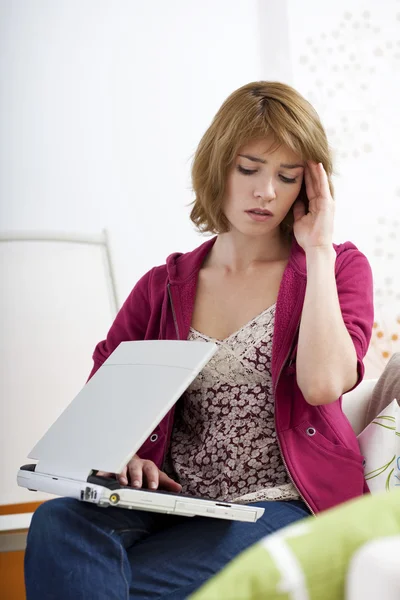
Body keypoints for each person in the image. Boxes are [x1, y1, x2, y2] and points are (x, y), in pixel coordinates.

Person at [24, 81, 374, 599]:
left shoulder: (338, 267)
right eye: (249, 168)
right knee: (57, 522)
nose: (266, 192)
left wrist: (317, 250)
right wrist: (124, 453)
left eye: (287, 175)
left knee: (124, 583)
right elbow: (101, 404)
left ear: (309, 184)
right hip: (175, 502)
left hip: (283, 503)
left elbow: (324, 385)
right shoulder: (162, 286)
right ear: (218, 167)